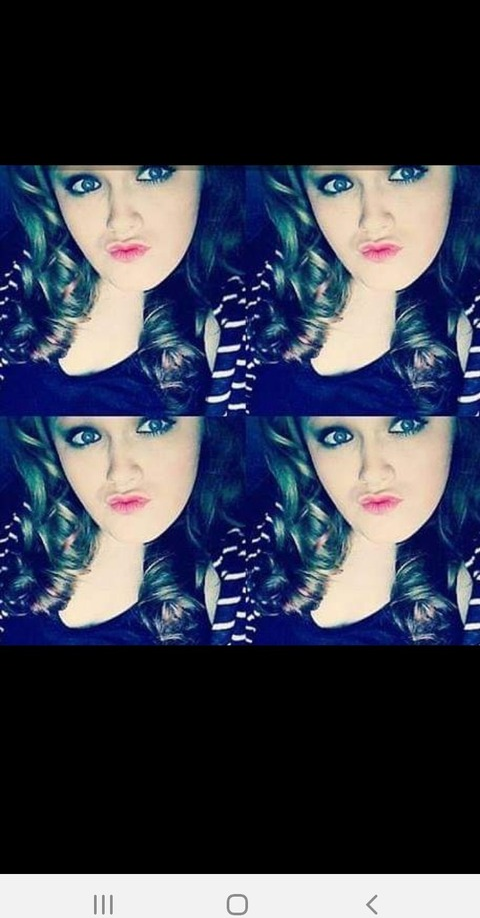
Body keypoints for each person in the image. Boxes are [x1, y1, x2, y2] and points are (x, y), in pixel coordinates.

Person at [0, 165, 246, 415]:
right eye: (86, 184)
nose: (120, 221)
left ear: (207, 175)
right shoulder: (14, 285)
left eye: (154, 173)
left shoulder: (235, 329)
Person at [247, 165, 480, 415]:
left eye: (406, 173)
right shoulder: (257, 289)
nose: (372, 221)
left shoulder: (466, 336)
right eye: (338, 184)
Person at [0, 415, 246, 645]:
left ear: (207, 427)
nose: (120, 473)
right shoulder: (14, 541)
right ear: (52, 444)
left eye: (154, 425)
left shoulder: (231, 585)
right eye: (86, 437)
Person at [247, 415, 480, 645]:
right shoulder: (260, 540)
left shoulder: (464, 583)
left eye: (405, 425)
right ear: (304, 444)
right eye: (338, 437)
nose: (372, 473)